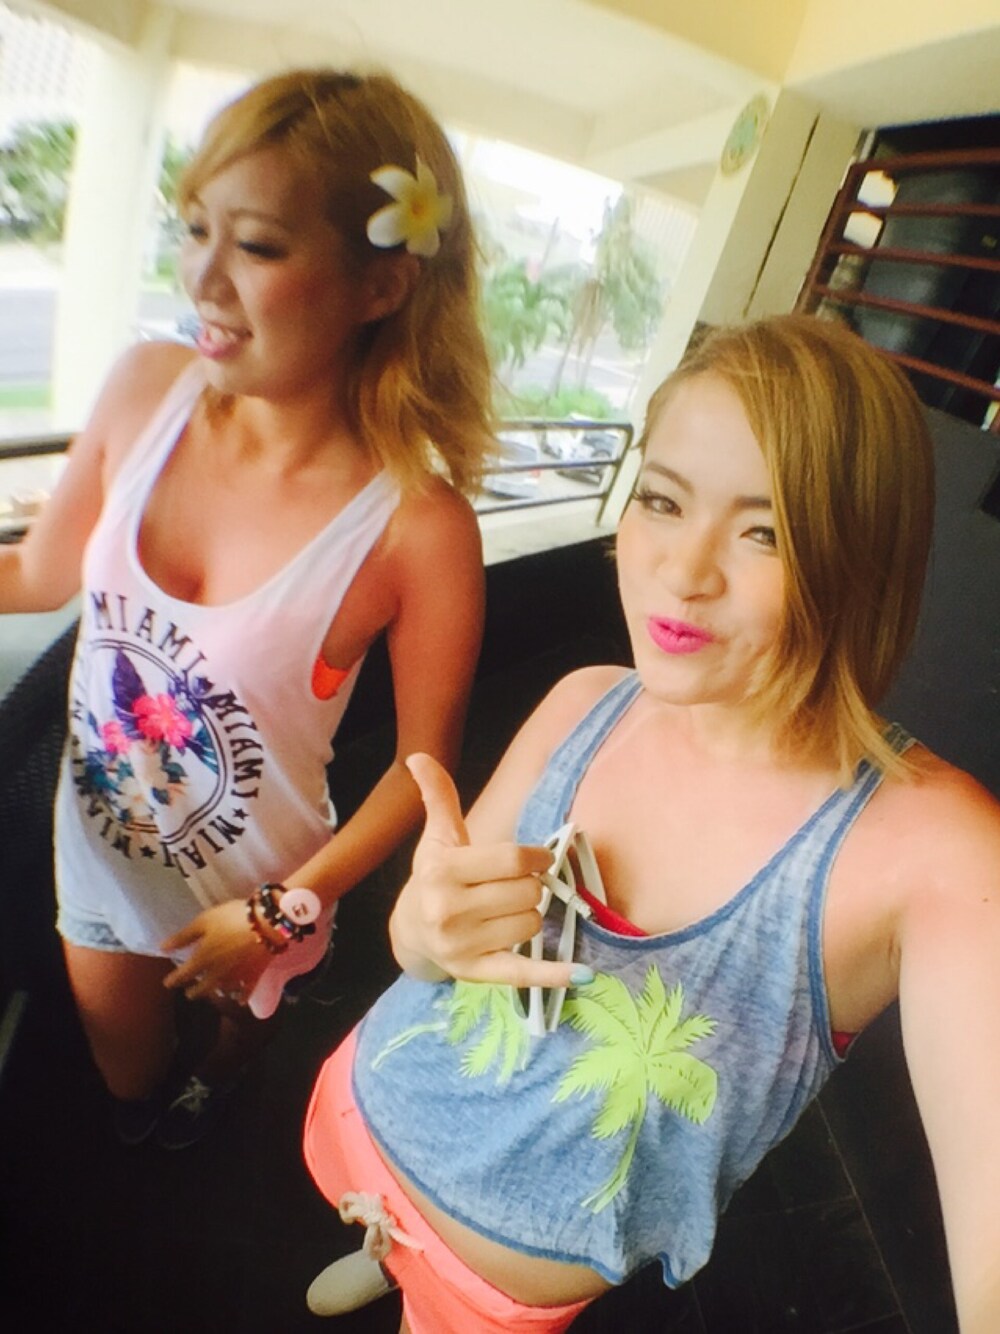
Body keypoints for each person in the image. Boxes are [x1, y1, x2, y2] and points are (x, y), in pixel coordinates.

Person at [303, 314, 1000, 1333]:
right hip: (369, 1106)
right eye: (662, 500)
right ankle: (385, 1244)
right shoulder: (586, 700)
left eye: (765, 531)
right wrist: (421, 927)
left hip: (493, 1288)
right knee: (376, 1219)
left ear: (861, 562)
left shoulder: (936, 853)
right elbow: (420, 946)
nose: (682, 569)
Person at [0, 68, 493, 1149]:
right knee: (128, 1077)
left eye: (258, 246)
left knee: (230, 1052)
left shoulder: (417, 527)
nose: (202, 277)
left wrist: (278, 914)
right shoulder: (145, 390)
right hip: (98, 852)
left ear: (382, 284)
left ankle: (221, 1090)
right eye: (194, 230)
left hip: (265, 884)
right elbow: (37, 574)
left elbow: (424, 772)